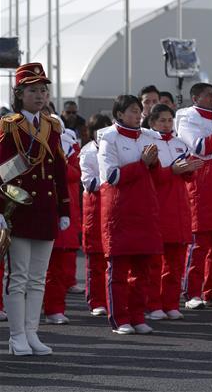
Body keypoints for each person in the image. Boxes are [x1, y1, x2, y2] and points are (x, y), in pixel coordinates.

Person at [0, 63, 71, 356]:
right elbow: (2, 171)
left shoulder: (53, 125)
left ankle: (32, 333)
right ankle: (16, 336)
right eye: (33, 90)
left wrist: (64, 208)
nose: (40, 95)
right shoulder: (9, 126)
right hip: (18, 208)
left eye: (43, 90)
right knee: (18, 277)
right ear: (20, 94)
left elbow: (59, 168)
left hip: (44, 208)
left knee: (37, 277)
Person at [98, 94, 163, 335]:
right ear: (119, 114)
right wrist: (143, 163)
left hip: (145, 211)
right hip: (120, 212)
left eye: (139, 111)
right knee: (118, 271)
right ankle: (120, 319)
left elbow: (158, 176)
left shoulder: (148, 137)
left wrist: (153, 164)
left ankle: (138, 316)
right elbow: (112, 177)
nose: (138, 115)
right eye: (133, 111)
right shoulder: (109, 138)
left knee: (142, 271)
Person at [146, 104, 200, 321]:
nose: (167, 124)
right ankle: (153, 304)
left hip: (179, 209)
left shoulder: (180, 144)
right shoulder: (149, 143)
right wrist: (173, 171)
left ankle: (170, 303)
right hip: (158, 208)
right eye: (162, 120)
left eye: (169, 120)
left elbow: (189, 177)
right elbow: (152, 177)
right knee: (155, 263)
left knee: (176, 262)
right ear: (152, 123)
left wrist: (189, 170)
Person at [176, 82, 212, 310]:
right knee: (199, 243)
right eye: (208, 95)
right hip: (200, 181)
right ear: (195, 98)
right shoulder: (187, 117)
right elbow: (200, 147)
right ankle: (192, 292)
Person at [42, 126, 83, 325]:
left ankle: (54, 309)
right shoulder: (21, 136)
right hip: (32, 212)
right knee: (24, 272)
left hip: (61, 213)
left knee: (56, 269)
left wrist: (60, 163)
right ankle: (23, 313)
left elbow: (76, 174)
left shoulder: (69, 145)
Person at [80, 113, 113, 317]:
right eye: (97, 131)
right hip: (94, 207)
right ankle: (96, 300)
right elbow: (89, 183)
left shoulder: (113, 148)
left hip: (113, 207)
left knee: (113, 258)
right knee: (95, 259)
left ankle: (111, 299)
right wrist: (111, 178)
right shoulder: (87, 152)